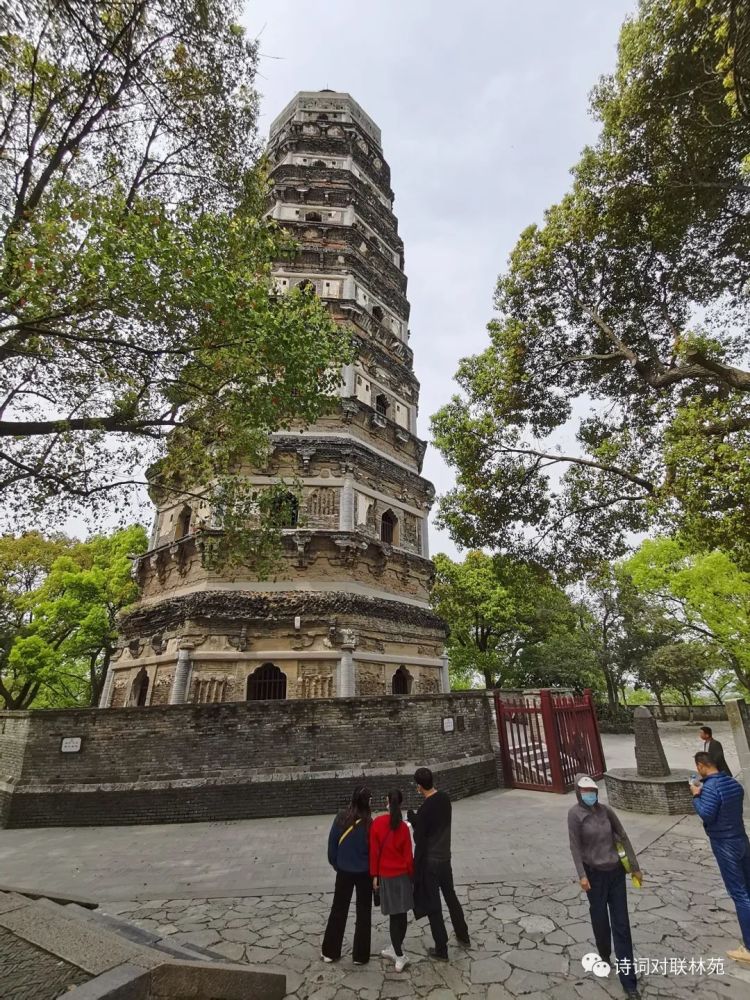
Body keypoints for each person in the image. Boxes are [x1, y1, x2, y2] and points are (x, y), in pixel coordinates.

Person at [568, 775, 642, 998]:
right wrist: (582, 875)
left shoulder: (606, 811)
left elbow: (623, 836)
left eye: (593, 790)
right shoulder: (575, 815)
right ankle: (604, 952)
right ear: (578, 793)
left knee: (621, 924)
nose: (590, 794)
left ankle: (629, 982)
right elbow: (575, 846)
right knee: (600, 919)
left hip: (616, 873)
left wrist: (634, 866)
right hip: (594, 876)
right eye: (586, 791)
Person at [691, 751, 750, 964]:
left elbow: (707, 813)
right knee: (748, 888)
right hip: (741, 839)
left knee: (739, 893)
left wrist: (696, 796)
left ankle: (749, 947)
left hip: (724, 843)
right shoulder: (733, 784)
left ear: (701, 766)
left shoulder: (710, 787)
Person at [407, 766, 469, 961]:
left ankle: (441, 948)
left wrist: (414, 820)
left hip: (431, 862)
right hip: (445, 858)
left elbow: (420, 839)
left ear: (419, 787)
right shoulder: (444, 799)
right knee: (451, 897)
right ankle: (463, 934)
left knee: (434, 905)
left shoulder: (425, 809)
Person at [321, 785, 373, 965]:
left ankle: (330, 951)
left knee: (338, 910)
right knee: (364, 912)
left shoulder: (341, 818)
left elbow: (331, 848)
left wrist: (338, 865)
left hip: (344, 871)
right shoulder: (369, 823)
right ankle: (360, 955)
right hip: (364, 872)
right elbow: (373, 852)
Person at [370, 788, 414, 972]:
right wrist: (412, 877)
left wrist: (374, 876)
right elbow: (408, 856)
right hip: (402, 876)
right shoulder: (403, 827)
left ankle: (395, 950)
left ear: (386, 801)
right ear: (401, 803)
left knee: (394, 916)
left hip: (386, 876)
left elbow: (374, 853)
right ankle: (398, 953)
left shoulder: (378, 823)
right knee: (401, 915)